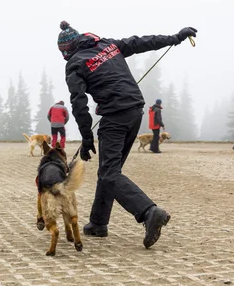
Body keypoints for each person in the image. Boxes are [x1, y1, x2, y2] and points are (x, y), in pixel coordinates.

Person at [58, 20, 197, 249]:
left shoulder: (74, 64)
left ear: (67, 50)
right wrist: (175, 37)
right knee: (109, 171)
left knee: (109, 173)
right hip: (135, 111)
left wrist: (85, 138)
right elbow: (141, 42)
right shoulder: (107, 45)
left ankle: (149, 212)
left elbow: (79, 104)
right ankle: (98, 223)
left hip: (114, 118)